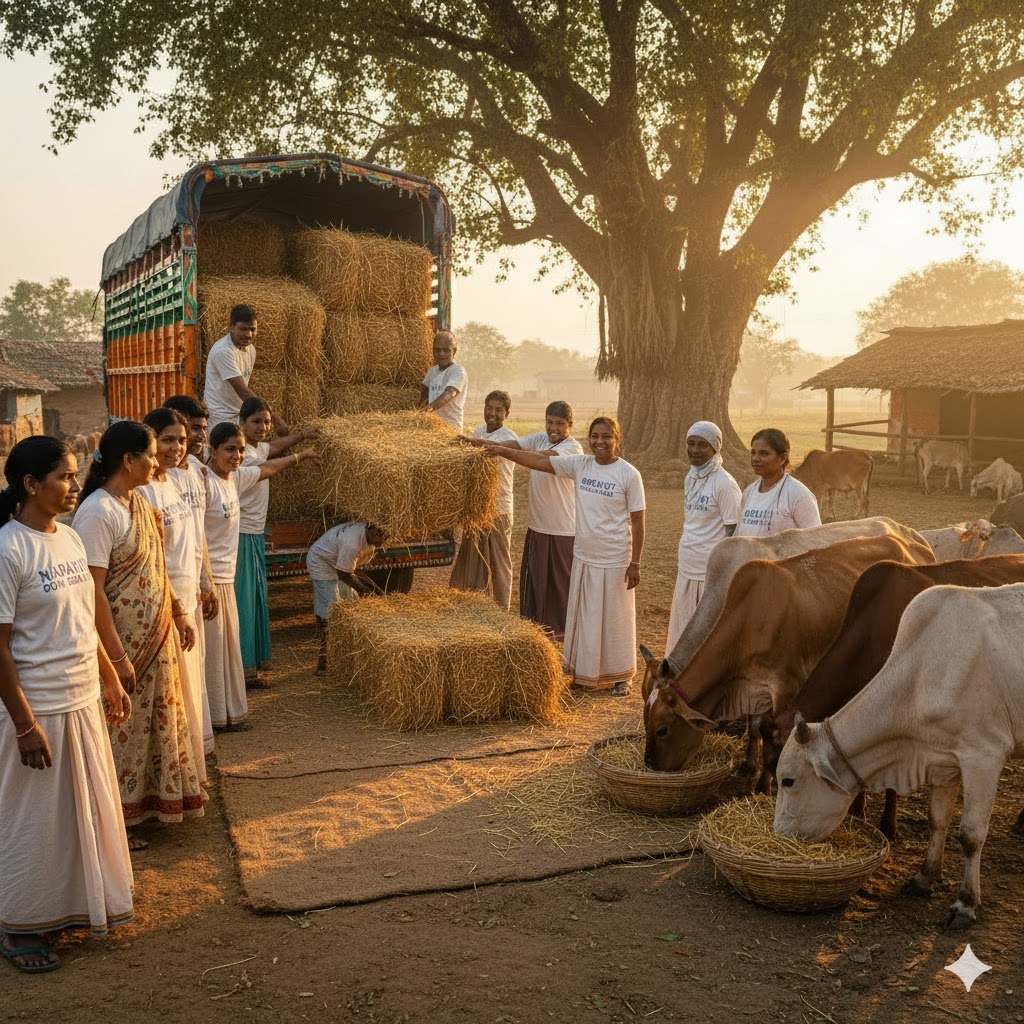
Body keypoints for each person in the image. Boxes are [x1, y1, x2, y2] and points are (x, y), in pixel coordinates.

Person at [0, 437, 134, 973]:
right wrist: (25, 724)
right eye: (64, 477)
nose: (76, 485)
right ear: (31, 485)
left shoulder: (72, 541)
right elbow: (0, 648)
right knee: (31, 822)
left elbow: (85, 621)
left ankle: (70, 908)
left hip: (80, 699)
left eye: (76, 476)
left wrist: (111, 679)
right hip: (40, 706)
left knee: (79, 816)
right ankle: (19, 925)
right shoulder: (9, 548)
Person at [72, 421, 205, 839]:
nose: (156, 461)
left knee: (154, 725)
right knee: (121, 728)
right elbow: (91, 592)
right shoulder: (96, 512)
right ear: (128, 461)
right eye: (149, 454)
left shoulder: (142, 505)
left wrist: (179, 612)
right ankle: (115, 821)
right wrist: (115, 656)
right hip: (122, 649)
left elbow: (159, 569)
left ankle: (149, 807)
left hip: (158, 638)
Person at [478, 416, 645, 695]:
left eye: (606, 437)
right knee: (586, 616)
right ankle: (585, 674)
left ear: (617, 439)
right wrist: (501, 451)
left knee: (616, 619)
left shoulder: (629, 474)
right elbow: (539, 462)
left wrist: (635, 563)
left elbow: (638, 522)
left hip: (615, 558)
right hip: (584, 555)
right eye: (594, 436)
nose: (599, 442)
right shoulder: (581, 465)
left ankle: (622, 677)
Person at [203, 421, 319, 730]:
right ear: (212, 450)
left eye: (241, 450)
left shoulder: (235, 479)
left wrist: (300, 457)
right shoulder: (203, 484)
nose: (237, 455)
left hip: (227, 577)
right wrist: (204, 581)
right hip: (209, 580)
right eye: (230, 449)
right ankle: (214, 718)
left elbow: (267, 469)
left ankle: (229, 713)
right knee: (213, 652)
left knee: (228, 649)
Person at [138, 408, 207, 786]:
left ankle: (190, 770)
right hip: (165, 606)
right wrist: (176, 607)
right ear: (150, 442)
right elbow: (152, 558)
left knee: (189, 692)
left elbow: (193, 542)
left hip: (187, 599)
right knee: (170, 699)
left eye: (181, 440)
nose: (176, 447)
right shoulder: (143, 489)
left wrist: (203, 584)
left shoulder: (178, 481)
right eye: (167, 440)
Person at [237, 397, 321, 688]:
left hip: (255, 534)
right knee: (245, 603)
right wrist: (301, 456)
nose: (263, 427)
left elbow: (272, 448)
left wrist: (301, 435)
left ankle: (252, 668)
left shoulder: (255, 448)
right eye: (256, 422)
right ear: (242, 423)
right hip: (242, 535)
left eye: (267, 422)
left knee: (257, 600)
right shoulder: (241, 455)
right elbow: (270, 465)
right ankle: (242, 670)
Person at [481, 401, 582, 638]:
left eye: (559, 424)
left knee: (559, 585)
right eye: (549, 422)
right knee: (536, 581)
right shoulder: (540, 438)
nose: (552, 428)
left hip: (561, 529)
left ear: (570, 425)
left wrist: (504, 452)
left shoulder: (572, 449)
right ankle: (537, 631)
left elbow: (539, 459)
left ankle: (563, 633)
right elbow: (510, 444)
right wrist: (480, 444)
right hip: (537, 525)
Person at [164, 394, 217, 756]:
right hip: (169, 596)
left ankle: (197, 748)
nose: (196, 437)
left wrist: (206, 581)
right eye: (188, 430)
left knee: (195, 671)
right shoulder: (156, 481)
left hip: (192, 587)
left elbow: (198, 534)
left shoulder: (198, 470)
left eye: (196, 431)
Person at [667, 421, 742, 651]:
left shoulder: (724, 484)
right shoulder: (691, 476)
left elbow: (733, 531)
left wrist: (722, 572)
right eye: (691, 444)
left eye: (703, 445)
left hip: (709, 573)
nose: (695, 450)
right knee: (682, 627)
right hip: (687, 565)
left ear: (715, 449)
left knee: (704, 635)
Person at [449, 390, 518, 608]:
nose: (492, 413)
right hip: (477, 508)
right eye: (489, 408)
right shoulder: (480, 430)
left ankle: (500, 607)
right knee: (473, 557)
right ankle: (474, 603)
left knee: (498, 560)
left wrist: (469, 442)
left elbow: (488, 450)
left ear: (506, 414)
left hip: (499, 508)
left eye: (498, 410)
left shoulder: (510, 438)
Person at [306, 521, 387, 674]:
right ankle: (323, 663)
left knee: (351, 602)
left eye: (384, 537)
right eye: (378, 535)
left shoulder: (369, 541)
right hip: (321, 562)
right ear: (370, 529)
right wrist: (365, 591)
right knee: (332, 609)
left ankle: (347, 657)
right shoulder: (352, 544)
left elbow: (352, 569)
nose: (381, 540)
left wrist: (374, 589)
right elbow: (344, 574)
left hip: (336, 563)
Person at [203, 303, 288, 436]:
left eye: (252, 329)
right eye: (243, 329)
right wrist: (275, 419)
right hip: (220, 415)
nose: (248, 334)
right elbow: (243, 391)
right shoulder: (223, 351)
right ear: (231, 327)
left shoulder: (251, 349)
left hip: (239, 414)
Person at [735, 428, 821, 537]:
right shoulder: (749, 493)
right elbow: (739, 535)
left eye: (764, 454)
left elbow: (815, 538)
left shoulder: (798, 495)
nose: (755, 459)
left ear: (782, 459)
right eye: (753, 453)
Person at [419, 329, 468, 431]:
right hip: (432, 427)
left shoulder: (458, 371)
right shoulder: (432, 371)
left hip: (451, 428)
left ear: (454, 351)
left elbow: (450, 393)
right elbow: (423, 394)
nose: (441, 354)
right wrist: (416, 412)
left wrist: (428, 409)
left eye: (446, 350)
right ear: (433, 351)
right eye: (437, 350)